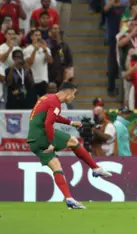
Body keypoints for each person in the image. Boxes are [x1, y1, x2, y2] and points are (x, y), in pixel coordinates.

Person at [26, 82, 112, 210]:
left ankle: (69, 199)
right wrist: (51, 143)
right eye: (74, 94)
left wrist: (71, 122)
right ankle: (95, 168)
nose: (74, 97)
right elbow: (48, 123)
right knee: (72, 140)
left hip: (33, 140)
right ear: (68, 91)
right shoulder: (55, 102)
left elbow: (52, 117)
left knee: (56, 166)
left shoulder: (48, 98)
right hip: (41, 135)